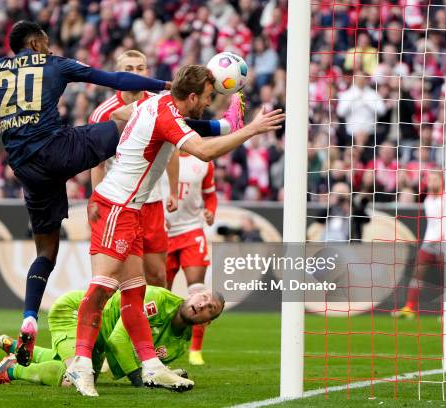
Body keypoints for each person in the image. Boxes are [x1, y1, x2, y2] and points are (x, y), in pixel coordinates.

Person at [0, 21, 171, 367]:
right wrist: (163, 85)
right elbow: (116, 80)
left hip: (26, 169)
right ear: (34, 41)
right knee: (133, 123)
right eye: (45, 41)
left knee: (46, 251)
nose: (48, 45)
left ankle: (29, 317)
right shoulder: (55, 64)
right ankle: (207, 128)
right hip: (57, 149)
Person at [66, 65, 284, 396]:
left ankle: (152, 365)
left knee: (135, 293)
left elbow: (128, 111)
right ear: (193, 95)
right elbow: (204, 151)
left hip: (132, 207)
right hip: (117, 204)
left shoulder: (158, 101)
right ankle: (80, 364)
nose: (209, 103)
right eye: (208, 97)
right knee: (101, 288)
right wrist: (250, 130)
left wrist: (224, 124)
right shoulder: (167, 115)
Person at [89, 50, 245, 287]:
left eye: (140, 68)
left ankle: (150, 322)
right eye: (128, 69)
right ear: (118, 74)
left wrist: (172, 190)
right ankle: (102, 321)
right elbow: (97, 163)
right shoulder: (105, 112)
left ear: (147, 72)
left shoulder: (158, 100)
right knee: (113, 280)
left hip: (152, 201)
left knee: (156, 277)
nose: (135, 73)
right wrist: (94, 199)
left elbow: (172, 147)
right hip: (118, 200)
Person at [0, 286, 225, 387]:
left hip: (98, 341)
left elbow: (141, 361)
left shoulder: (179, 346)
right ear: (193, 294)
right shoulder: (156, 299)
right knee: (74, 379)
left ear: (209, 322)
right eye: (203, 298)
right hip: (78, 314)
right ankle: (11, 370)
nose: (203, 306)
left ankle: (16, 347)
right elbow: (119, 340)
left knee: (74, 365)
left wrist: (163, 376)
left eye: (210, 308)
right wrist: (139, 381)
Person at [165, 151, 217, 366]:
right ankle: (158, 346)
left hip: (192, 230)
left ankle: (195, 349)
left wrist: (211, 211)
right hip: (163, 231)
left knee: (198, 292)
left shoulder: (204, 161)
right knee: (160, 294)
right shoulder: (161, 155)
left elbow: (210, 194)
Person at [393, 171, 444, 318]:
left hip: (445, 243)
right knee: (417, 275)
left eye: (435, 179)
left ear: (442, 181)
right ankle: (409, 308)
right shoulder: (428, 199)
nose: (432, 182)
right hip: (429, 243)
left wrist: (442, 237)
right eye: (430, 180)